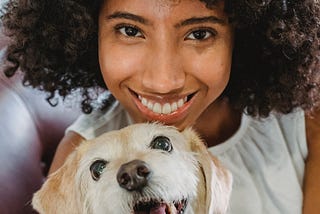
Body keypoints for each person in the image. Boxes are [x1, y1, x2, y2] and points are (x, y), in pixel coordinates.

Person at [1, 0, 320, 213]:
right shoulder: (77, 159)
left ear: (243, 35)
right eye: (130, 30)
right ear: (88, 33)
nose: (163, 81)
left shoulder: (308, 123)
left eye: (199, 33)